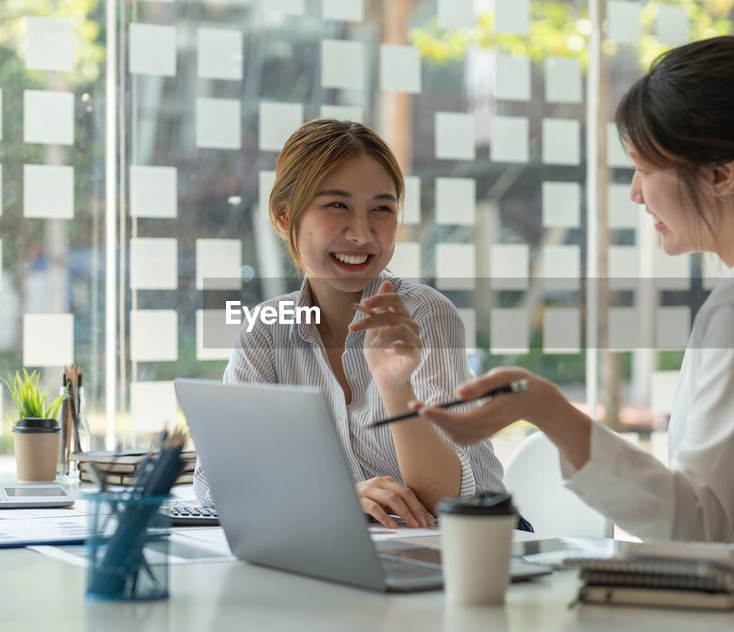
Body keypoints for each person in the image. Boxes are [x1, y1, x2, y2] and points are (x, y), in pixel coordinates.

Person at [414, 37, 734, 596]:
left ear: (722, 175)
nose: (634, 192)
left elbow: (697, 522)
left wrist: (549, 411)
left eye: (644, 167)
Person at [193, 119, 507, 529]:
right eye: (337, 205)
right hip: (357, 542)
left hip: (476, 541)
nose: (361, 234)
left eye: (381, 208)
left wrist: (397, 388)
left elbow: (448, 499)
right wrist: (330, 499)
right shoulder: (267, 331)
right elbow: (216, 481)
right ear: (285, 216)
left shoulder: (425, 315)